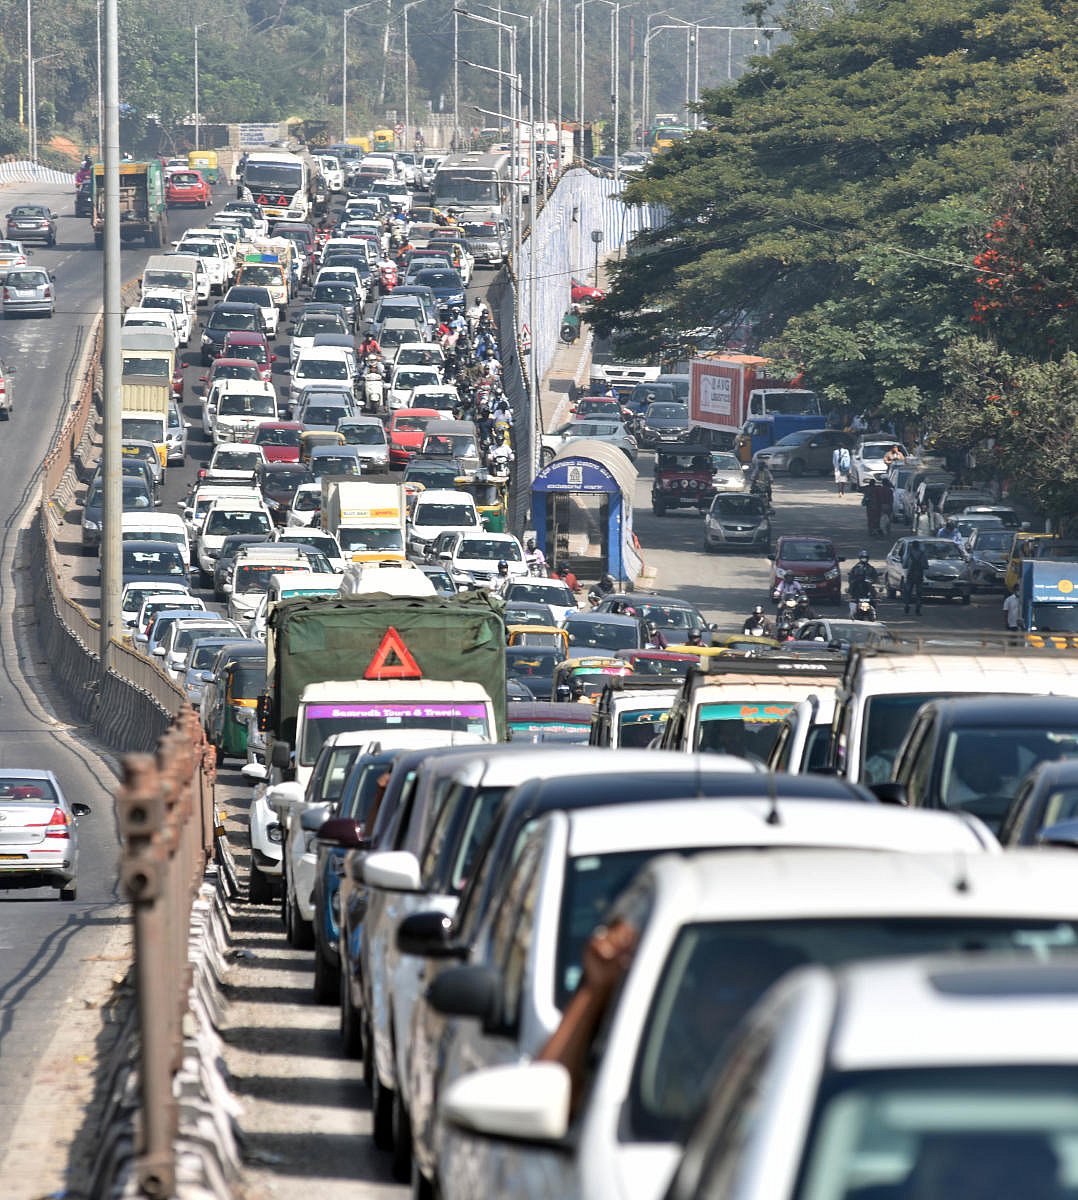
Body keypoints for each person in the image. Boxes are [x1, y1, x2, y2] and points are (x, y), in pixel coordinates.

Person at [848, 550, 879, 617]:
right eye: (863, 557)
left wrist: (874, 582)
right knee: (853, 602)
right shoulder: (855, 568)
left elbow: (875, 578)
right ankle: (852, 614)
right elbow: (851, 579)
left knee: (874, 599)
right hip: (857, 591)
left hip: (868, 591)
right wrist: (853, 583)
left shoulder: (871, 568)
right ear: (860, 558)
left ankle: (872, 611)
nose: (864, 559)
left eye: (865, 557)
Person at [903, 540, 928, 615]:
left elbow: (904, 564)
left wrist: (907, 566)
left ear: (912, 546)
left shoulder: (909, 553)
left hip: (910, 575)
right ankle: (918, 607)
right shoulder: (922, 554)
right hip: (919, 575)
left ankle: (907, 605)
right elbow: (926, 565)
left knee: (908, 591)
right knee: (919, 592)